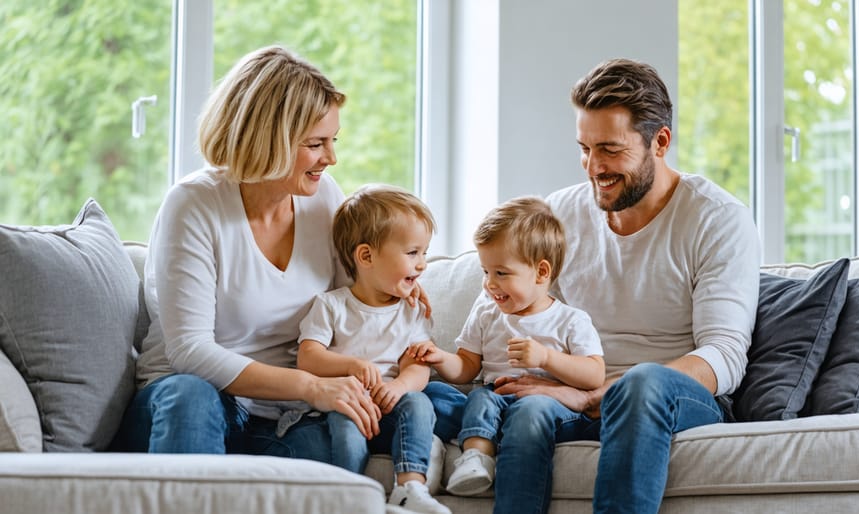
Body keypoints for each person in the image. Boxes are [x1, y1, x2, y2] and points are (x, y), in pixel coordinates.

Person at [426, 59, 761, 513]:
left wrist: (594, 394)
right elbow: (536, 316)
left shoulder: (716, 218)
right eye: (584, 148)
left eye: (609, 149)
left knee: (642, 383)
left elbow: (723, 355)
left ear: (660, 142)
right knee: (516, 407)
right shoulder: (561, 214)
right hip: (568, 392)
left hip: (668, 398)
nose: (592, 167)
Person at [112, 45, 387, 460]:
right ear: (270, 139)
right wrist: (312, 387)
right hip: (189, 398)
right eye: (316, 144)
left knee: (335, 450)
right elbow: (189, 351)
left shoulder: (324, 199)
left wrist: (395, 291)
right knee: (191, 398)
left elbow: (353, 304)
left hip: (281, 412)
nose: (331, 158)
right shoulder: (194, 204)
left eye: (332, 141)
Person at [410, 196, 605, 497]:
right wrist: (439, 358)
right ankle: (477, 458)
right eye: (486, 272)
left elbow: (594, 375)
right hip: (494, 401)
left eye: (501, 273)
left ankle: (480, 442)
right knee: (441, 394)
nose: (490, 284)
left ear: (541, 272)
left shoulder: (570, 320)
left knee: (513, 406)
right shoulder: (487, 314)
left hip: (547, 407)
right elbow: (466, 368)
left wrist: (546, 358)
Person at [289, 184, 450, 514]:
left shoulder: (412, 310)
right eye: (412, 253)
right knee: (346, 432)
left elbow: (418, 364)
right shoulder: (331, 305)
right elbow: (308, 357)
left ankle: (409, 487)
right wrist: (351, 365)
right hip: (347, 403)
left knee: (419, 403)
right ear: (366, 256)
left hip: (393, 402)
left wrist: (399, 386)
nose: (421, 264)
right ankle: (347, 498)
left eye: (424, 252)